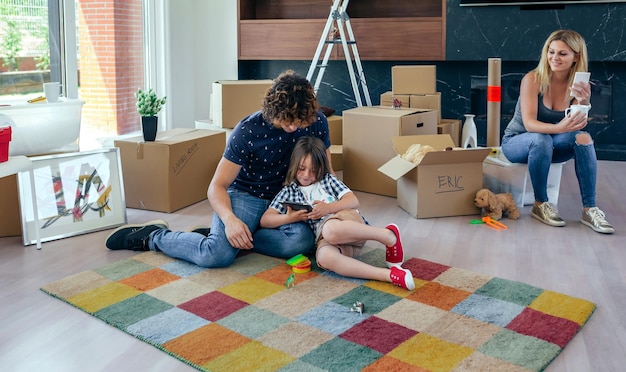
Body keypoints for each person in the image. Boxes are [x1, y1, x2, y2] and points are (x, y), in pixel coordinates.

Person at [105, 70, 335, 266]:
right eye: (288, 121)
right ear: (273, 111)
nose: (294, 127)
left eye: (299, 122)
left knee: (300, 244)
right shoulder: (247, 130)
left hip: (288, 198)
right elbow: (216, 186)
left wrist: (337, 207)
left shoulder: (316, 122)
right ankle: (153, 236)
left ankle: (229, 235)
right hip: (247, 196)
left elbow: (328, 173)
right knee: (215, 255)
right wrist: (230, 220)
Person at [260, 136, 415, 291]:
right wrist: (289, 218)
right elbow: (265, 220)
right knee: (323, 257)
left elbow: (353, 201)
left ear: (321, 168)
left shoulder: (327, 180)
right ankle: (390, 276)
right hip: (329, 239)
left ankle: (388, 235)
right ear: (294, 165)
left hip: (347, 224)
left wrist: (328, 208)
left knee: (330, 230)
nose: (307, 174)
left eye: (313, 170)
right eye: (302, 168)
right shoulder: (289, 191)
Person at [501, 30, 614, 234]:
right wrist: (559, 128)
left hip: (550, 145)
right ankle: (540, 204)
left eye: (562, 54)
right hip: (517, 142)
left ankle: (590, 209)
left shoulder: (578, 84)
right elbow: (529, 124)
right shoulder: (533, 79)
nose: (554, 58)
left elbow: (576, 126)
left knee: (583, 138)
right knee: (541, 139)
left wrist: (585, 102)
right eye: (551, 52)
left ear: (576, 57)